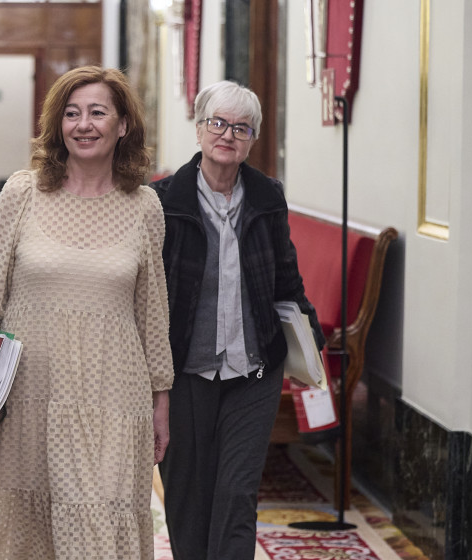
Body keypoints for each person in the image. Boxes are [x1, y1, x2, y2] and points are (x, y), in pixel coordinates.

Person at [0, 66, 174, 560]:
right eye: (71, 114)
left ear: (123, 125)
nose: (83, 124)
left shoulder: (146, 207)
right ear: (57, 124)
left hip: (113, 398)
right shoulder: (21, 193)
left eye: (97, 113)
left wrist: (161, 402)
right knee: (20, 528)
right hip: (27, 394)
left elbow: (153, 314)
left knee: (97, 523)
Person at [150, 80, 325, 559]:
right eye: (218, 123)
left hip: (254, 372)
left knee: (238, 493)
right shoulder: (163, 201)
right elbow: (144, 292)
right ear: (200, 128)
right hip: (184, 373)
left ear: (253, 139)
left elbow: (286, 278)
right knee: (188, 496)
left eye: (241, 128)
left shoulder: (267, 196)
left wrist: (311, 341)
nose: (228, 135)